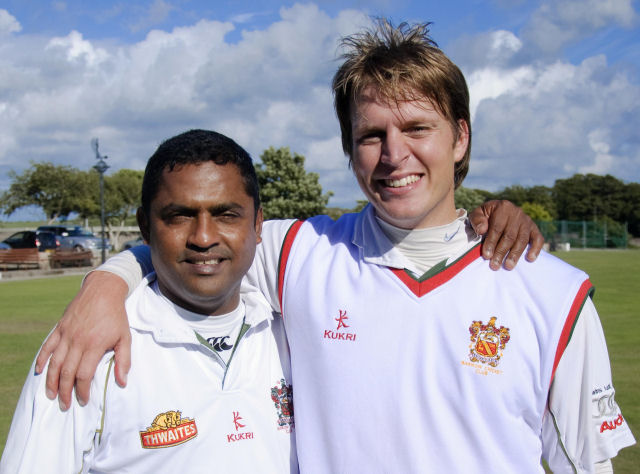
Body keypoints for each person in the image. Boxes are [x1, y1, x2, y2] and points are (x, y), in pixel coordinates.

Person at [35, 19, 634, 472]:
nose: (394, 154)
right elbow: (193, 243)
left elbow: (585, 465)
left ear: (460, 138)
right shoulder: (300, 251)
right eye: (371, 135)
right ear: (349, 150)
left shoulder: (551, 291)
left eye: (417, 128)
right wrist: (106, 283)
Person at [0, 130, 297, 473]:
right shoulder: (89, 345)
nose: (203, 237)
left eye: (226, 214)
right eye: (179, 216)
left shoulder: (291, 330)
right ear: (145, 226)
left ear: (258, 224)